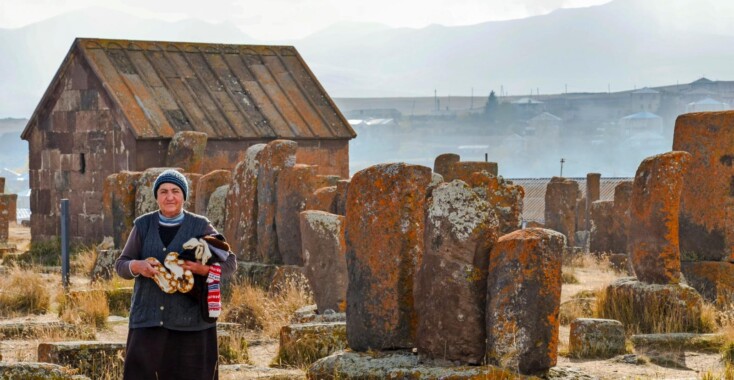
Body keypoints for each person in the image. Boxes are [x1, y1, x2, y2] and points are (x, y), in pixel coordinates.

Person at [115, 169, 237, 380]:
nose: (169, 197)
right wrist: (137, 265)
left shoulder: (200, 226)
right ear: (156, 196)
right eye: (163, 191)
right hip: (148, 320)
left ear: (184, 196)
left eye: (175, 191)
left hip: (191, 324)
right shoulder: (143, 225)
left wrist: (204, 270)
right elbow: (121, 265)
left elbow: (231, 262)